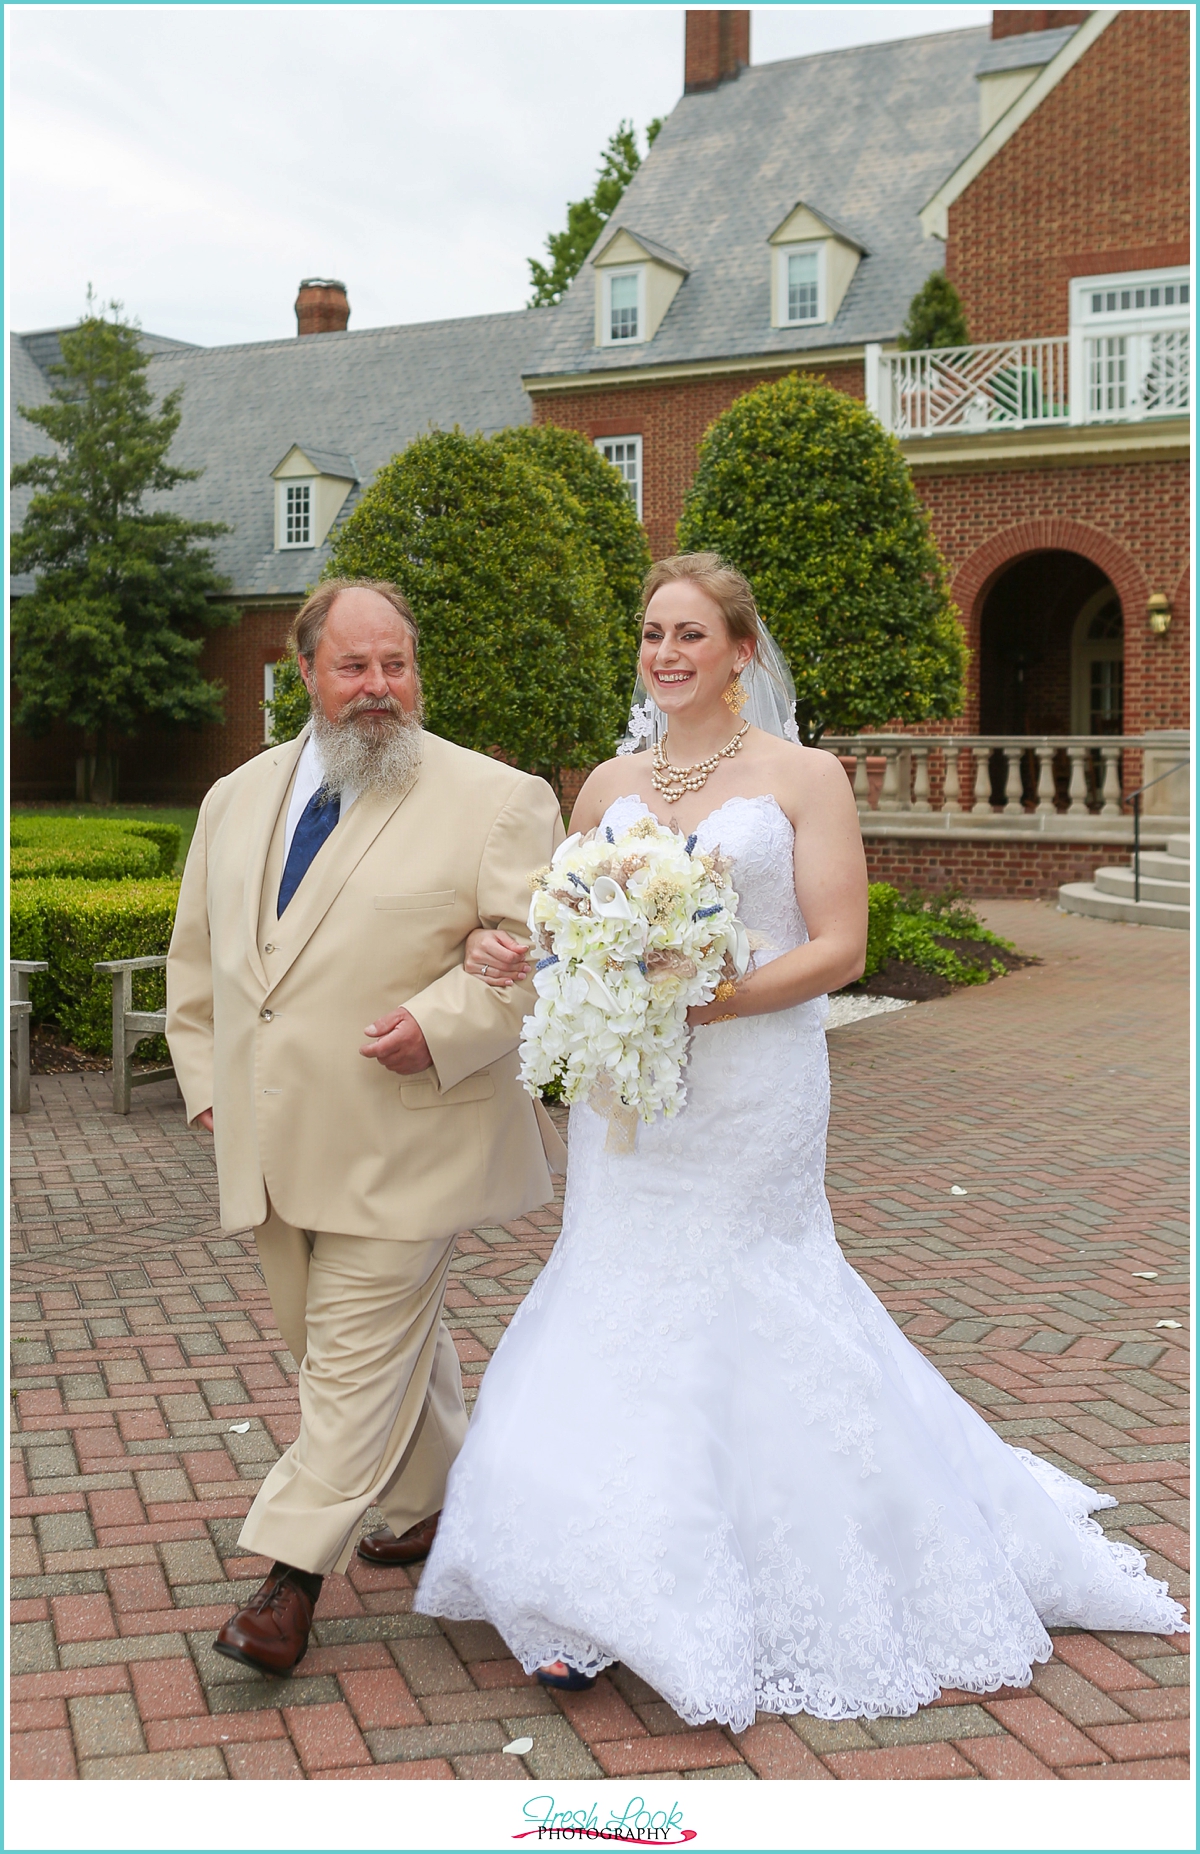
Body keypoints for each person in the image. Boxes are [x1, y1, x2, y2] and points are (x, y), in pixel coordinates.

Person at [414, 552, 1186, 1729]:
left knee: (747, 1296)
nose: (664, 653)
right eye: (651, 633)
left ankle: (751, 1562)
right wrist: (531, 955)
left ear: (739, 651)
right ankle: (591, 1579)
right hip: (634, 1095)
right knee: (616, 1294)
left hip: (753, 1085)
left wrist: (709, 997)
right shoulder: (607, 782)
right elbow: (564, 924)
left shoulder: (803, 777)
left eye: (688, 635)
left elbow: (840, 946)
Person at [166, 577, 564, 1677]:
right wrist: (204, 1081)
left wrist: (440, 1026)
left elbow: (530, 959)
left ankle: (287, 1585)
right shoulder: (234, 798)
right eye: (355, 667)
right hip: (270, 1145)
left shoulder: (498, 797)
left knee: (343, 1371)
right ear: (306, 673)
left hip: (410, 1136)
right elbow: (197, 959)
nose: (380, 688)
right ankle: (437, 1499)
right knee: (345, 1346)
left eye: (398, 664)